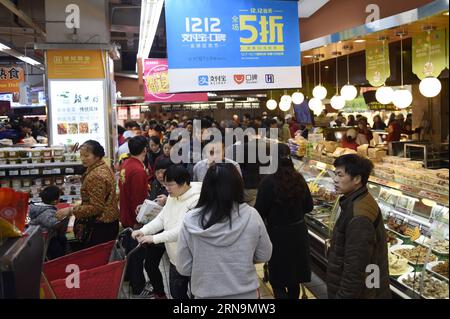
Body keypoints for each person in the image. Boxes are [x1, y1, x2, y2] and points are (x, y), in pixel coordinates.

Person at [177, 163, 272, 299]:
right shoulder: (251, 215)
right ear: (238, 186)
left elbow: (184, 267)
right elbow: (265, 254)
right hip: (246, 295)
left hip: (205, 295)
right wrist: (242, 259)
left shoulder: (190, 219)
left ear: (206, 187)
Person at [132, 165, 201, 299]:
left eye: (170, 185)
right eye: (165, 184)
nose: (167, 188)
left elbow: (182, 231)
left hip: (193, 257)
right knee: (177, 294)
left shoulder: (196, 200)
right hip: (175, 257)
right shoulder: (172, 196)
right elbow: (162, 219)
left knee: (196, 294)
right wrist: (143, 230)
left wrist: (154, 238)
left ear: (184, 183)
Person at [327, 154, 390, 299]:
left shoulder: (359, 217)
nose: (335, 179)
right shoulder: (359, 199)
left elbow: (355, 270)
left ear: (357, 179)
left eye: (340, 175)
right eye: (335, 174)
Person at [255, 144, 313, 299]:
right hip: (299, 233)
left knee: (278, 279)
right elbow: (309, 206)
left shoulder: (267, 182)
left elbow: (259, 211)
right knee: (295, 277)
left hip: (277, 235)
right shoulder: (299, 179)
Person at [56, 140, 119, 248]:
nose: (83, 158)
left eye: (87, 155)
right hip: (109, 222)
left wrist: (70, 210)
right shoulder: (103, 166)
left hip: (100, 227)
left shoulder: (96, 176)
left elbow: (96, 208)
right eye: (81, 155)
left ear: (97, 156)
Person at [118, 136, 150, 295]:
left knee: (130, 252)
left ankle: (130, 279)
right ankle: (138, 287)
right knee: (137, 254)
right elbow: (137, 201)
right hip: (134, 219)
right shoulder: (138, 170)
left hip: (125, 215)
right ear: (145, 149)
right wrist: (139, 221)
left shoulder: (126, 164)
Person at [29, 186, 68, 260]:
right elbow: (53, 224)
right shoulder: (46, 212)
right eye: (59, 196)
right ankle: (57, 263)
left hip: (49, 235)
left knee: (63, 239)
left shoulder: (46, 207)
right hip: (43, 238)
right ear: (55, 201)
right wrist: (66, 217)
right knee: (57, 249)